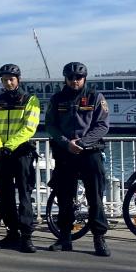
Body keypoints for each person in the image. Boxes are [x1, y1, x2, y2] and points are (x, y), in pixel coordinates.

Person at [46, 62, 111, 257]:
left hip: (90, 153)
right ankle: (64, 238)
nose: (75, 81)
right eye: (71, 77)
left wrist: (81, 143)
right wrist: (67, 143)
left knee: (95, 198)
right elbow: (50, 125)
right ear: (65, 78)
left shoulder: (95, 97)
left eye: (78, 77)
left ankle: (99, 238)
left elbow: (102, 126)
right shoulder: (57, 99)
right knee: (65, 197)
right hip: (65, 153)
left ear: (84, 79)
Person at [0, 63, 41, 253]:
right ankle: (12, 233)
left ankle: (27, 236)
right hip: (2, 153)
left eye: (11, 79)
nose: (8, 83)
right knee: (6, 195)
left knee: (25, 195)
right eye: (4, 80)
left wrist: (10, 145)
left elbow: (29, 128)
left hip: (21, 153)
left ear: (18, 79)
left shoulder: (30, 99)